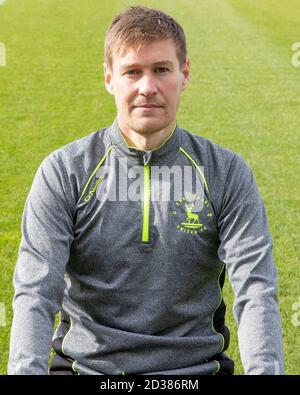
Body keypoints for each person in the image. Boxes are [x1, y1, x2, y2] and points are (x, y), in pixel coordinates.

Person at [8, 6, 284, 375]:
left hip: (192, 372)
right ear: (109, 78)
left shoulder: (225, 173)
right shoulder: (64, 172)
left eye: (161, 70)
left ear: (184, 74)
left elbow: (256, 289)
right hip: (87, 369)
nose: (147, 87)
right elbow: (36, 292)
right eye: (132, 72)